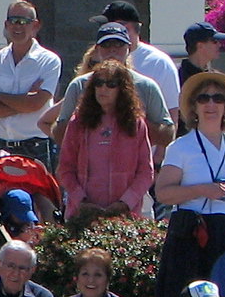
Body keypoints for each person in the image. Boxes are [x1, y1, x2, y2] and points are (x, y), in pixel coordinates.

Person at [155, 70, 225, 297]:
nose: (211, 104)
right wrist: (201, 190)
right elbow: (163, 193)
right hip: (193, 232)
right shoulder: (181, 146)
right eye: (203, 98)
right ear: (194, 107)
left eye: (218, 98)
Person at [43, 26, 176, 148]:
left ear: (129, 48)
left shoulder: (146, 86)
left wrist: (131, 117)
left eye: (119, 44)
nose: (112, 50)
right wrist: (85, 114)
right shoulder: (79, 85)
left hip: (132, 164)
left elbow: (167, 135)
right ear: (97, 49)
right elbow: (60, 135)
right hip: (90, 164)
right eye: (106, 45)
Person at [57, 58, 153, 220]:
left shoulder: (136, 124)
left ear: (122, 89)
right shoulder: (78, 123)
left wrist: (125, 203)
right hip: (82, 214)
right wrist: (81, 201)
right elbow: (65, 169)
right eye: (99, 83)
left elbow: (146, 172)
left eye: (111, 84)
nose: (103, 89)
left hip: (125, 216)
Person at [0, 0, 62, 165]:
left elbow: (35, 104)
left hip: (35, 147)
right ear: (6, 25)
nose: (17, 27)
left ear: (35, 26)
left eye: (23, 22)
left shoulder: (49, 61)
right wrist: (24, 102)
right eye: (13, 21)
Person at [98, 0, 181, 108]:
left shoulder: (159, 63)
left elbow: (171, 117)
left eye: (108, 26)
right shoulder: (97, 57)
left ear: (127, 28)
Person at [177, 22, 223, 87]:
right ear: (200, 46)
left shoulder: (216, 78)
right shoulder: (177, 76)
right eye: (215, 41)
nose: (219, 45)